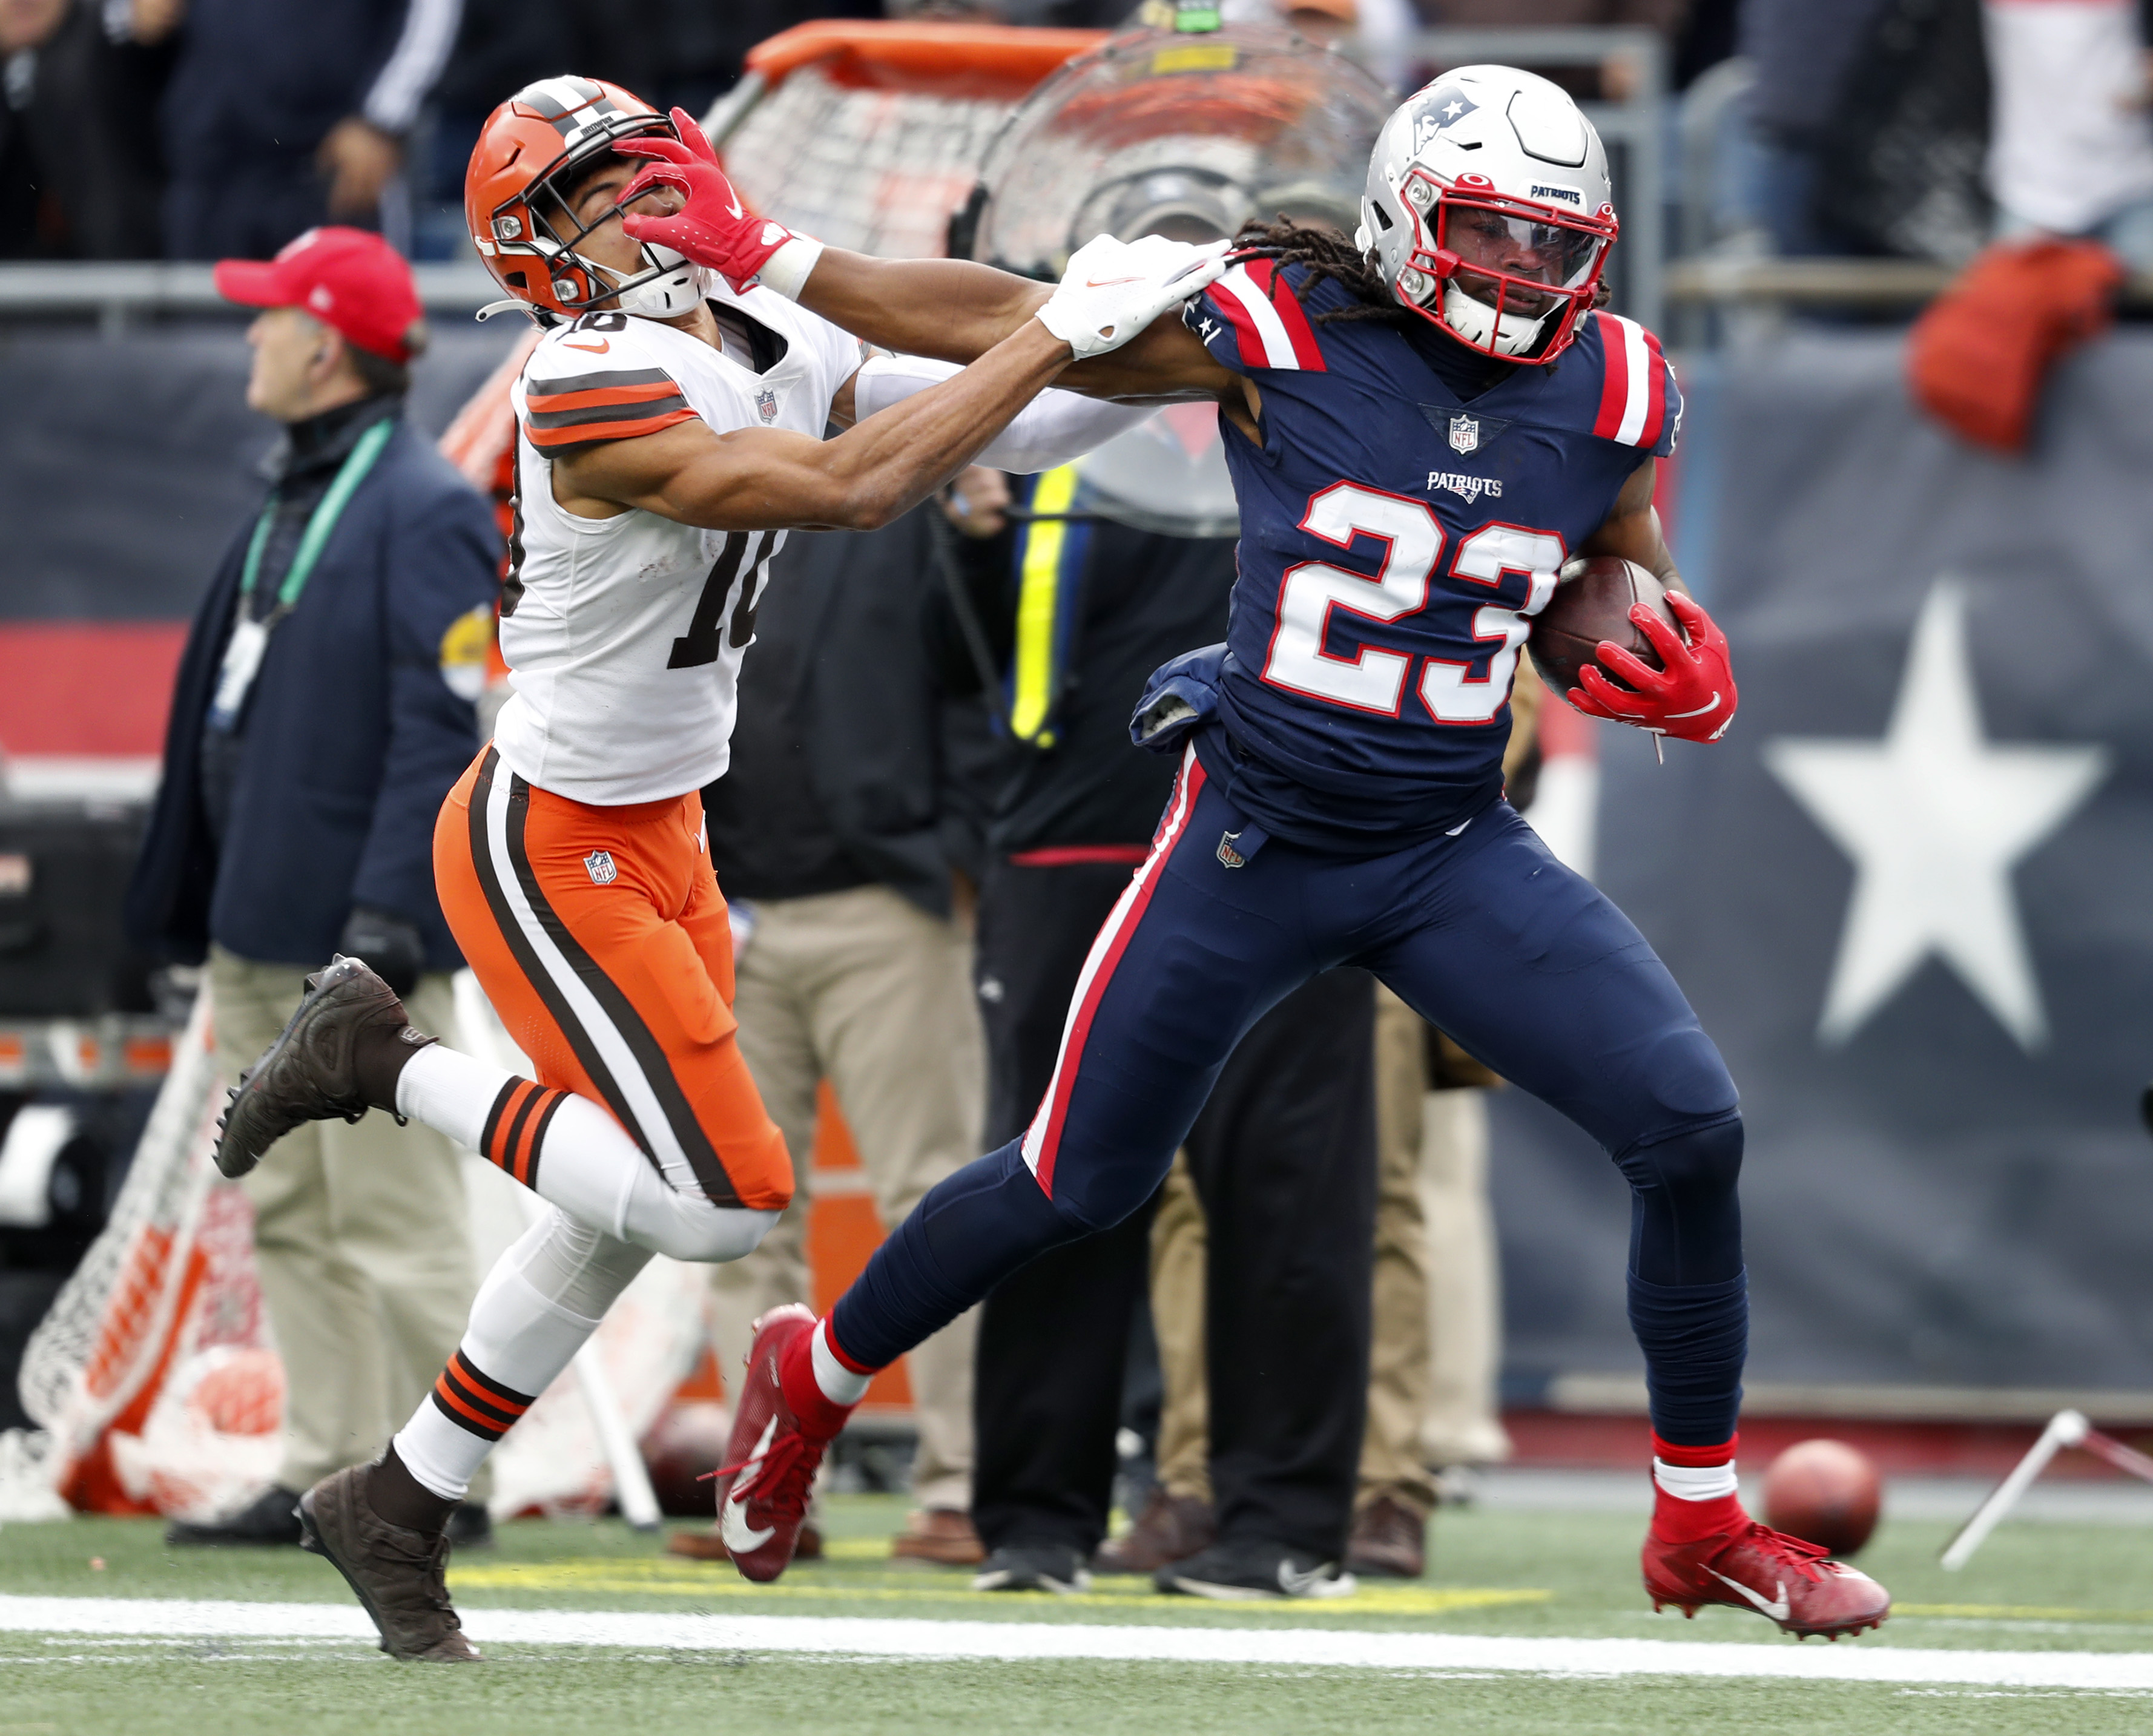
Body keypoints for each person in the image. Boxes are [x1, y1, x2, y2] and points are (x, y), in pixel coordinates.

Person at [626, 62, 1896, 1641]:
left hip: (1447, 846)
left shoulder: (1619, 381)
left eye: (1550, 246)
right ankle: (811, 1378)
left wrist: (1643, 656)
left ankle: (1698, 1518)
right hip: (1255, 840)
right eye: (1491, 236)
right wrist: (766, 258)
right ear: (1408, 222)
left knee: (1691, 1127)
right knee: (1070, 1181)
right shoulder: (1284, 329)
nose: (1520, 277)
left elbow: (1599, 569)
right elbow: (1001, 317)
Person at [207, 76, 1223, 1661]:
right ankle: (377, 1056)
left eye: (641, 176)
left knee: (616, 1213)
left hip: (669, 827)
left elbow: (1020, 412)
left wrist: (1141, 325)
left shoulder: (759, 326)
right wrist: (1055, 325)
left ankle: (402, 1495)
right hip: (544, 840)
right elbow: (854, 486)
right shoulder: (586, 379)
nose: (631, 212)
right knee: (711, 1204)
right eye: (589, 196)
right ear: (529, 248)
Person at [931, 462, 1380, 1599]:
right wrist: (976, 538)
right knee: (1046, 1186)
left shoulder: (1347, 398)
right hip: (1065, 848)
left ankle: (1278, 1523)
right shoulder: (1059, 409)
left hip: (1290, 847)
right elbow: (954, 658)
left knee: (1287, 1186)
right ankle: (1036, 1518)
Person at [122, 225, 501, 1547]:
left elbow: (441, 722)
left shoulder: (423, 505)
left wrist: (391, 918)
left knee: (391, 1212)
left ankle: (439, 1475)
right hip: (261, 926)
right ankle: (331, 1459)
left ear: (324, 344)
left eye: (267, 316)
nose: (249, 336)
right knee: (288, 1202)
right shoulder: (298, 491)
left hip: (356, 938)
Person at [664, 507, 995, 1571]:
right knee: (738, 1214)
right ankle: (766, 1491)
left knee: (932, 1199)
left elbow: (979, 669)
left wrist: (957, 861)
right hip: (729, 909)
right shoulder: (700, 502)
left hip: (886, 905)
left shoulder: (905, 494)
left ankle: (960, 1486)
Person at [158, 0, 463, 259]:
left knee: (346, 317)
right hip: (215, 162)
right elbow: (131, 19)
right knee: (202, 322)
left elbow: (432, 12)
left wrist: (380, 121)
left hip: (331, 163)